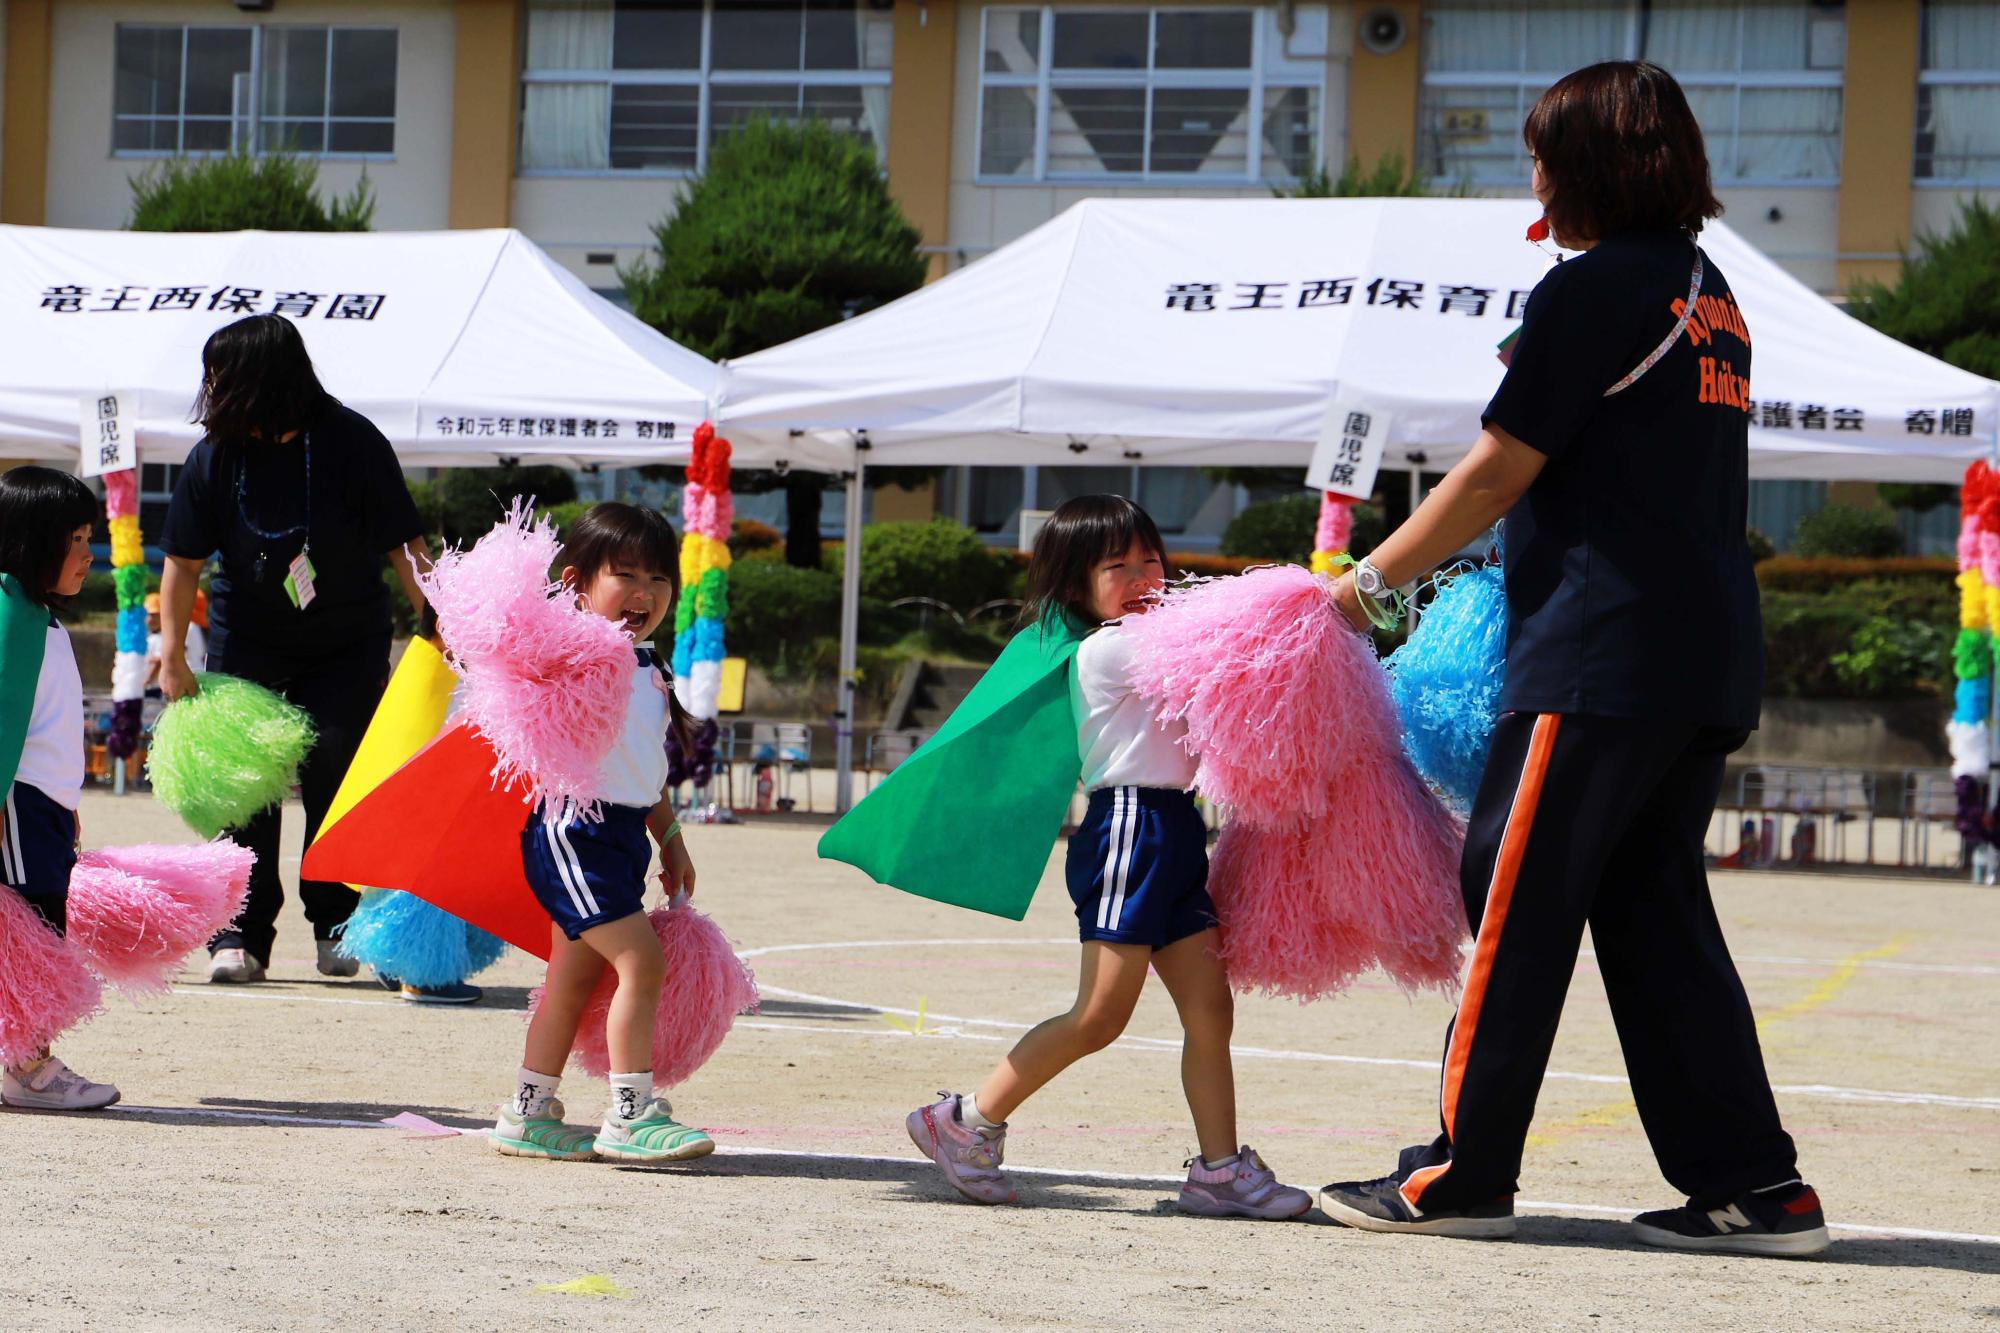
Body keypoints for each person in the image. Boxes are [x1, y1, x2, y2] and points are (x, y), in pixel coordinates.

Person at [1315, 62, 1828, 1257]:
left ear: (1590, 164)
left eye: (1543, 152)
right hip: (1694, 654)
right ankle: (1753, 1186)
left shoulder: (1592, 291)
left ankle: (1457, 1173)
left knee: (1511, 896)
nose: (1531, 176)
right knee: (1652, 918)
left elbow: (1498, 469)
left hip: (1598, 654)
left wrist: (1363, 587)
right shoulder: (1710, 294)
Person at [905, 495, 1311, 1219]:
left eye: (1149, 559)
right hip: (1130, 825)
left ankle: (1219, 1171)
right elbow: (1230, 655)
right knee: (1100, 1014)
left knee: (1209, 1009)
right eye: (1115, 566)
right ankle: (965, 1119)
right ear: (1074, 589)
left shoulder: (1156, 636)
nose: (1141, 575)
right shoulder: (1115, 647)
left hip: (1178, 827)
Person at [158, 313, 429, 985]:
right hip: (245, 638)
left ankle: (335, 925)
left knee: (335, 773)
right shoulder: (214, 454)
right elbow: (182, 563)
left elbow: (406, 547)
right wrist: (172, 653)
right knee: (240, 786)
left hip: (345, 640)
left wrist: (441, 621)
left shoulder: (352, 441)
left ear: (264, 378)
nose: (210, 388)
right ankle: (238, 933)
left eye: (221, 376)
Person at [493, 503, 713, 1163]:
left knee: (571, 978)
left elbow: (647, 768)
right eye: (625, 574)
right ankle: (629, 1113)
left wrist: (671, 838)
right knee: (641, 961)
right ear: (577, 582)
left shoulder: (649, 663)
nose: (645, 593)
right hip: (574, 832)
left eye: (659, 577)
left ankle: (528, 1111)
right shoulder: (575, 656)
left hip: (621, 835)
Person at [0, 467, 120, 1110]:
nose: (89, 553)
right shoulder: (14, 614)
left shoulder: (35, 615)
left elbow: (40, 721)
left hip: (37, 805)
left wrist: (63, 806)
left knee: (36, 929)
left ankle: (26, 1060)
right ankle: (29, 1068)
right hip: (15, 802)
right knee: (32, 930)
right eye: (77, 538)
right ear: (34, 539)